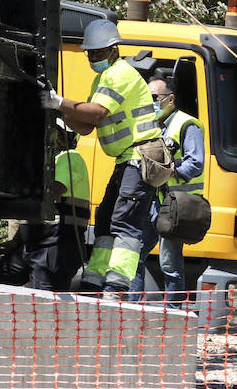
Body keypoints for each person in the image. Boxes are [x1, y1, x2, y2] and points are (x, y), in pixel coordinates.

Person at [41, 19, 163, 295]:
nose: (93, 57)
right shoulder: (103, 77)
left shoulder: (120, 74)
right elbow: (86, 126)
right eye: (90, 53)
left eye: (98, 52)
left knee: (126, 225)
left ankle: (116, 285)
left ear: (113, 49)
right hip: (126, 160)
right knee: (106, 220)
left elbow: (96, 114)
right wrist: (63, 112)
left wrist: (60, 102)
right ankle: (94, 280)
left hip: (140, 156)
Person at [129, 76, 206, 302]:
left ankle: (173, 311)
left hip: (175, 206)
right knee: (134, 256)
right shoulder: (154, 126)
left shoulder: (186, 124)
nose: (150, 103)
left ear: (170, 99)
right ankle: (132, 309)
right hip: (154, 202)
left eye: (154, 98)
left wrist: (169, 171)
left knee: (169, 263)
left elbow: (196, 162)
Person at [24, 119, 91, 292]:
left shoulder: (70, 157)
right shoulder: (53, 161)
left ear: (63, 136)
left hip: (56, 248)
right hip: (42, 244)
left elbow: (55, 189)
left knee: (46, 300)